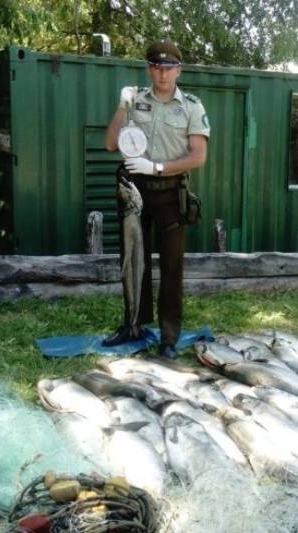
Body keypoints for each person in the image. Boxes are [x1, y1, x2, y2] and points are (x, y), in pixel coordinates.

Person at [101, 41, 210, 358]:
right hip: (134, 191)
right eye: (157, 67)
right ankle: (132, 324)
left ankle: (168, 337)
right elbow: (110, 143)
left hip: (170, 193)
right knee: (133, 260)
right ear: (149, 69)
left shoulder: (191, 106)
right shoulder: (134, 101)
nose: (163, 74)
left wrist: (158, 166)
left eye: (169, 67)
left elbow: (198, 156)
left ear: (179, 70)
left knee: (172, 266)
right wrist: (122, 105)